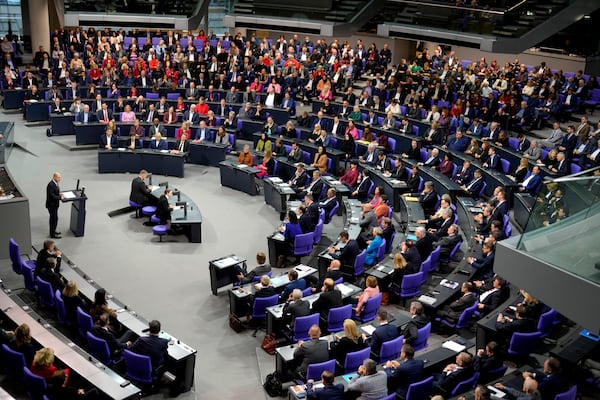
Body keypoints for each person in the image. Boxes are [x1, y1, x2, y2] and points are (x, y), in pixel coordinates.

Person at [46, 172, 63, 238]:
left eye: (60, 177)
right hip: (51, 206)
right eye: (58, 177)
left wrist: (59, 195)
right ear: (54, 177)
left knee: (55, 219)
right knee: (53, 219)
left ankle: (53, 231)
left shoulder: (55, 183)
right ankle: (52, 234)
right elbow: (52, 196)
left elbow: (55, 193)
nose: (60, 179)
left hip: (55, 205)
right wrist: (60, 197)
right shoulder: (51, 185)